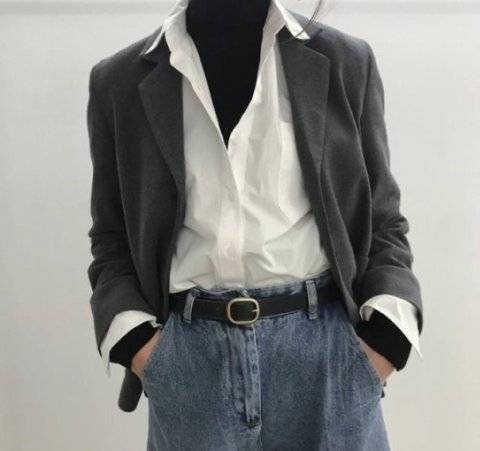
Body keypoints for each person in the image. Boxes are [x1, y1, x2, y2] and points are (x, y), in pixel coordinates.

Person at [86, 0, 424, 449]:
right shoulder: (119, 81)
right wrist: (138, 347)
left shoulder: (345, 61)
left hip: (327, 359)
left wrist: (387, 339)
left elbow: (382, 218)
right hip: (190, 362)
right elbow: (111, 239)